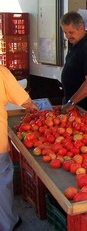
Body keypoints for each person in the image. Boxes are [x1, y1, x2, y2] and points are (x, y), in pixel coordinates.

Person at [0, 65, 38, 230]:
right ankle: (6, 223)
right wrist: (32, 107)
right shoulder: (1, 72)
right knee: (2, 179)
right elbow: (23, 99)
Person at [60, 11, 87, 115]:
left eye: (71, 32)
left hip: (85, 107)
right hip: (73, 105)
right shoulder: (75, 42)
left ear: (81, 28)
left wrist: (71, 102)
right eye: (65, 32)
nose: (67, 36)